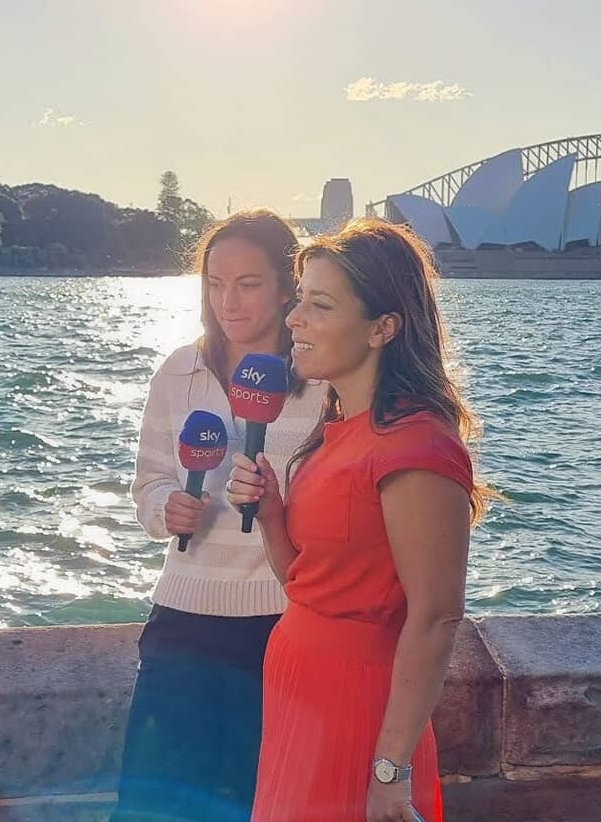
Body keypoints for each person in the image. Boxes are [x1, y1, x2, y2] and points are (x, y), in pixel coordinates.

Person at [226, 219, 493, 822]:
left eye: (319, 305)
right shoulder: (335, 432)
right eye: (299, 299)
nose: (293, 318)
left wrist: (389, 771)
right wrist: (272, 517)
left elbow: (436, 615)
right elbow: (307, 584)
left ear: (382, 328)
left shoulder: (416, 446)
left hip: (357, 706)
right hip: (299, 686)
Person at [115, 209, 327, 822]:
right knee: (153, 798)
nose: (228, 301)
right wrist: (167, 508)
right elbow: (147, 484)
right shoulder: (179, 371)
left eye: (249, 283)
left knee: (259, 798)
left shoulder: (321, 380)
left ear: (288, 288)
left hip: (284, 620)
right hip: (183, 615)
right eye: (215, 283)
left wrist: (274, 508)